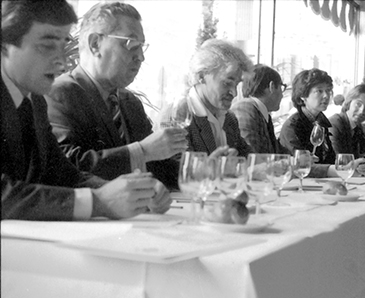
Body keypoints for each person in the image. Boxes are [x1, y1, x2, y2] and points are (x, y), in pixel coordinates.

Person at [1, 0, 168, 221]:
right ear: (5, 45)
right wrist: (96, 202)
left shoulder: (34, 101)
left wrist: (128, 193)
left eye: (63, 45)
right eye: (48, 45)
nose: (61, 61)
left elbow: (62, 174)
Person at [46, 2, 187, 190]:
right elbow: (67, 167)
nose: (141, 57)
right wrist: (141, 151)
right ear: (95, 44)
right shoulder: (59, 93)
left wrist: (206, 172)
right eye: (131, 44)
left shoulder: (130, 103)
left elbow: (157, 164)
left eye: (142, 47)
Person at [174, 39, 254, 157]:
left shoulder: (230, 119)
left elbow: (248, 159)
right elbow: (179, 170)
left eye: (237, 84)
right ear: (201, 76)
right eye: (227, 83)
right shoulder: (178, 114)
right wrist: (215, 167)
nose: (234, 93)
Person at [278, 68, 337, 178]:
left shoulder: (321, 123)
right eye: (319, 91)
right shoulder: (292, 126)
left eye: (328, 90)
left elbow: (330, 160)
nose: (326, 96)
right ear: (303, 95)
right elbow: (298, 165)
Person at [231, 64, 288, 154]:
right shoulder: (245, 109)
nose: (282, 95)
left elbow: (278, 153)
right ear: (272, 87)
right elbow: (252, 158)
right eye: (281, 87)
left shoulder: (262, 114)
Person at [329, 84, 365, 158]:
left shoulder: (358, 128)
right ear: (349, 102)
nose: (362, 111)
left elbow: (364, 158)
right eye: (358, 104)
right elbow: (339, 160)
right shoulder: (335, 123)